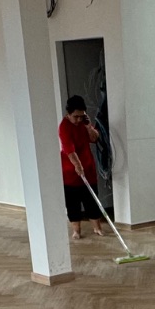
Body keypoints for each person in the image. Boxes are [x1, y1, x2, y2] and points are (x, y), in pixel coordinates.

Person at [58, 95, 105, 241]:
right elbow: (69, 150)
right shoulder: (64, 127)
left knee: (92, 200)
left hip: (88, 168)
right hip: (70, 169)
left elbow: (94, 138)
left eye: (81, 116)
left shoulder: (84, 123)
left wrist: (89, 126)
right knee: (73, 202)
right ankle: (76, 230)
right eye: (76, 116)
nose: (79, 119)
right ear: (68, 114)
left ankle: (97, 228)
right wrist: (78, 166)